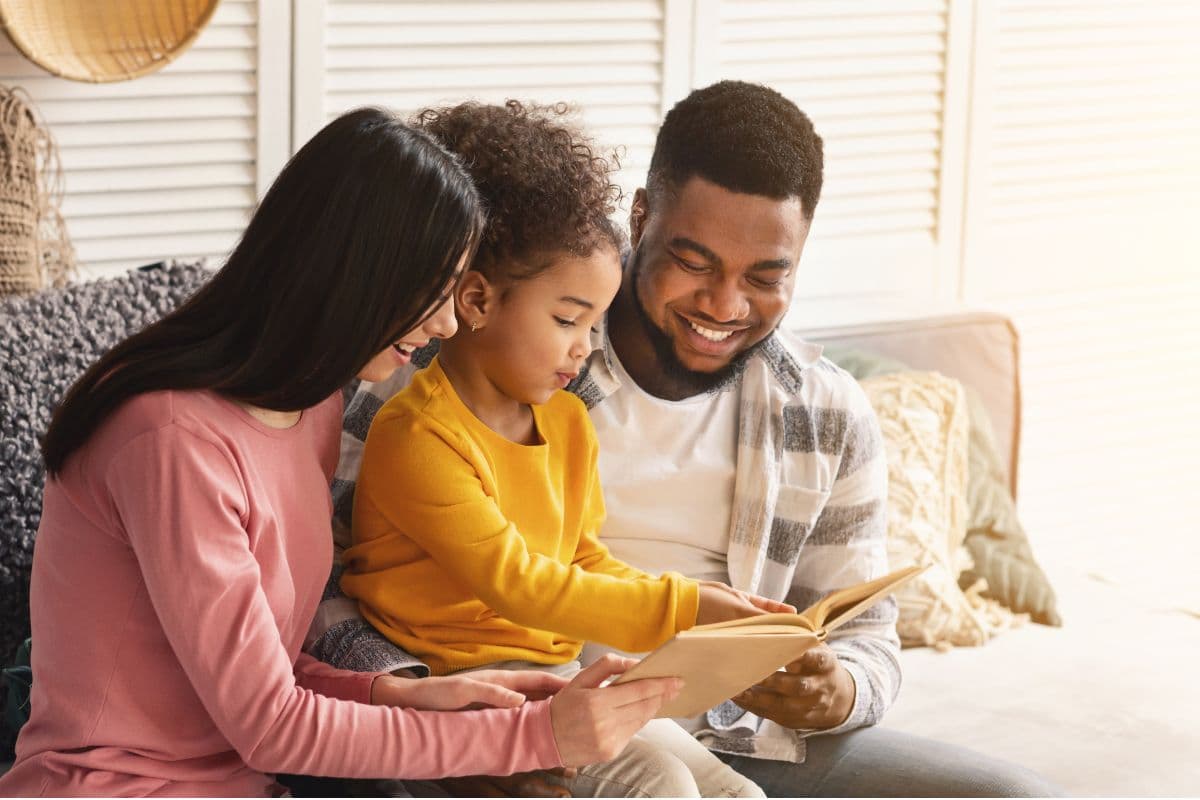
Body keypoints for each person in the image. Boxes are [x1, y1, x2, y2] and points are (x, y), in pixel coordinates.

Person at [316, 83, 1062, 797]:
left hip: (743, 734)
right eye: (694, 262)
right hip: (530, 704)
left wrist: (837, 692)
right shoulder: (466, 355)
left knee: (1017, 795)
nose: (724, 305)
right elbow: (321, 590)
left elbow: (868, 638)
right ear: (640, 219)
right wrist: (438, 722)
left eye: (766, 276)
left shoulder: (825, 411)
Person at [0, 107, 683, 798]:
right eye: (435, 290)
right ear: (356, 272)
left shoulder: (312, 409)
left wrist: (402, 694)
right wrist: (533, 734)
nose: (448, 323)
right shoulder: (171, 442)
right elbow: (269, 724)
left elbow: (264, 674)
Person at [339, 100, 783, 798]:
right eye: (569, 319)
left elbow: (581, 556)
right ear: (479, 301)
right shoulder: (416, 436)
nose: (585, 347)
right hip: (470, 696)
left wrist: (696, 605)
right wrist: (684, 607)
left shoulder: (567, 423)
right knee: (661, 786)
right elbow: (520, 583)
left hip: (562, 684)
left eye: (595, 323)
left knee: (737, 793)